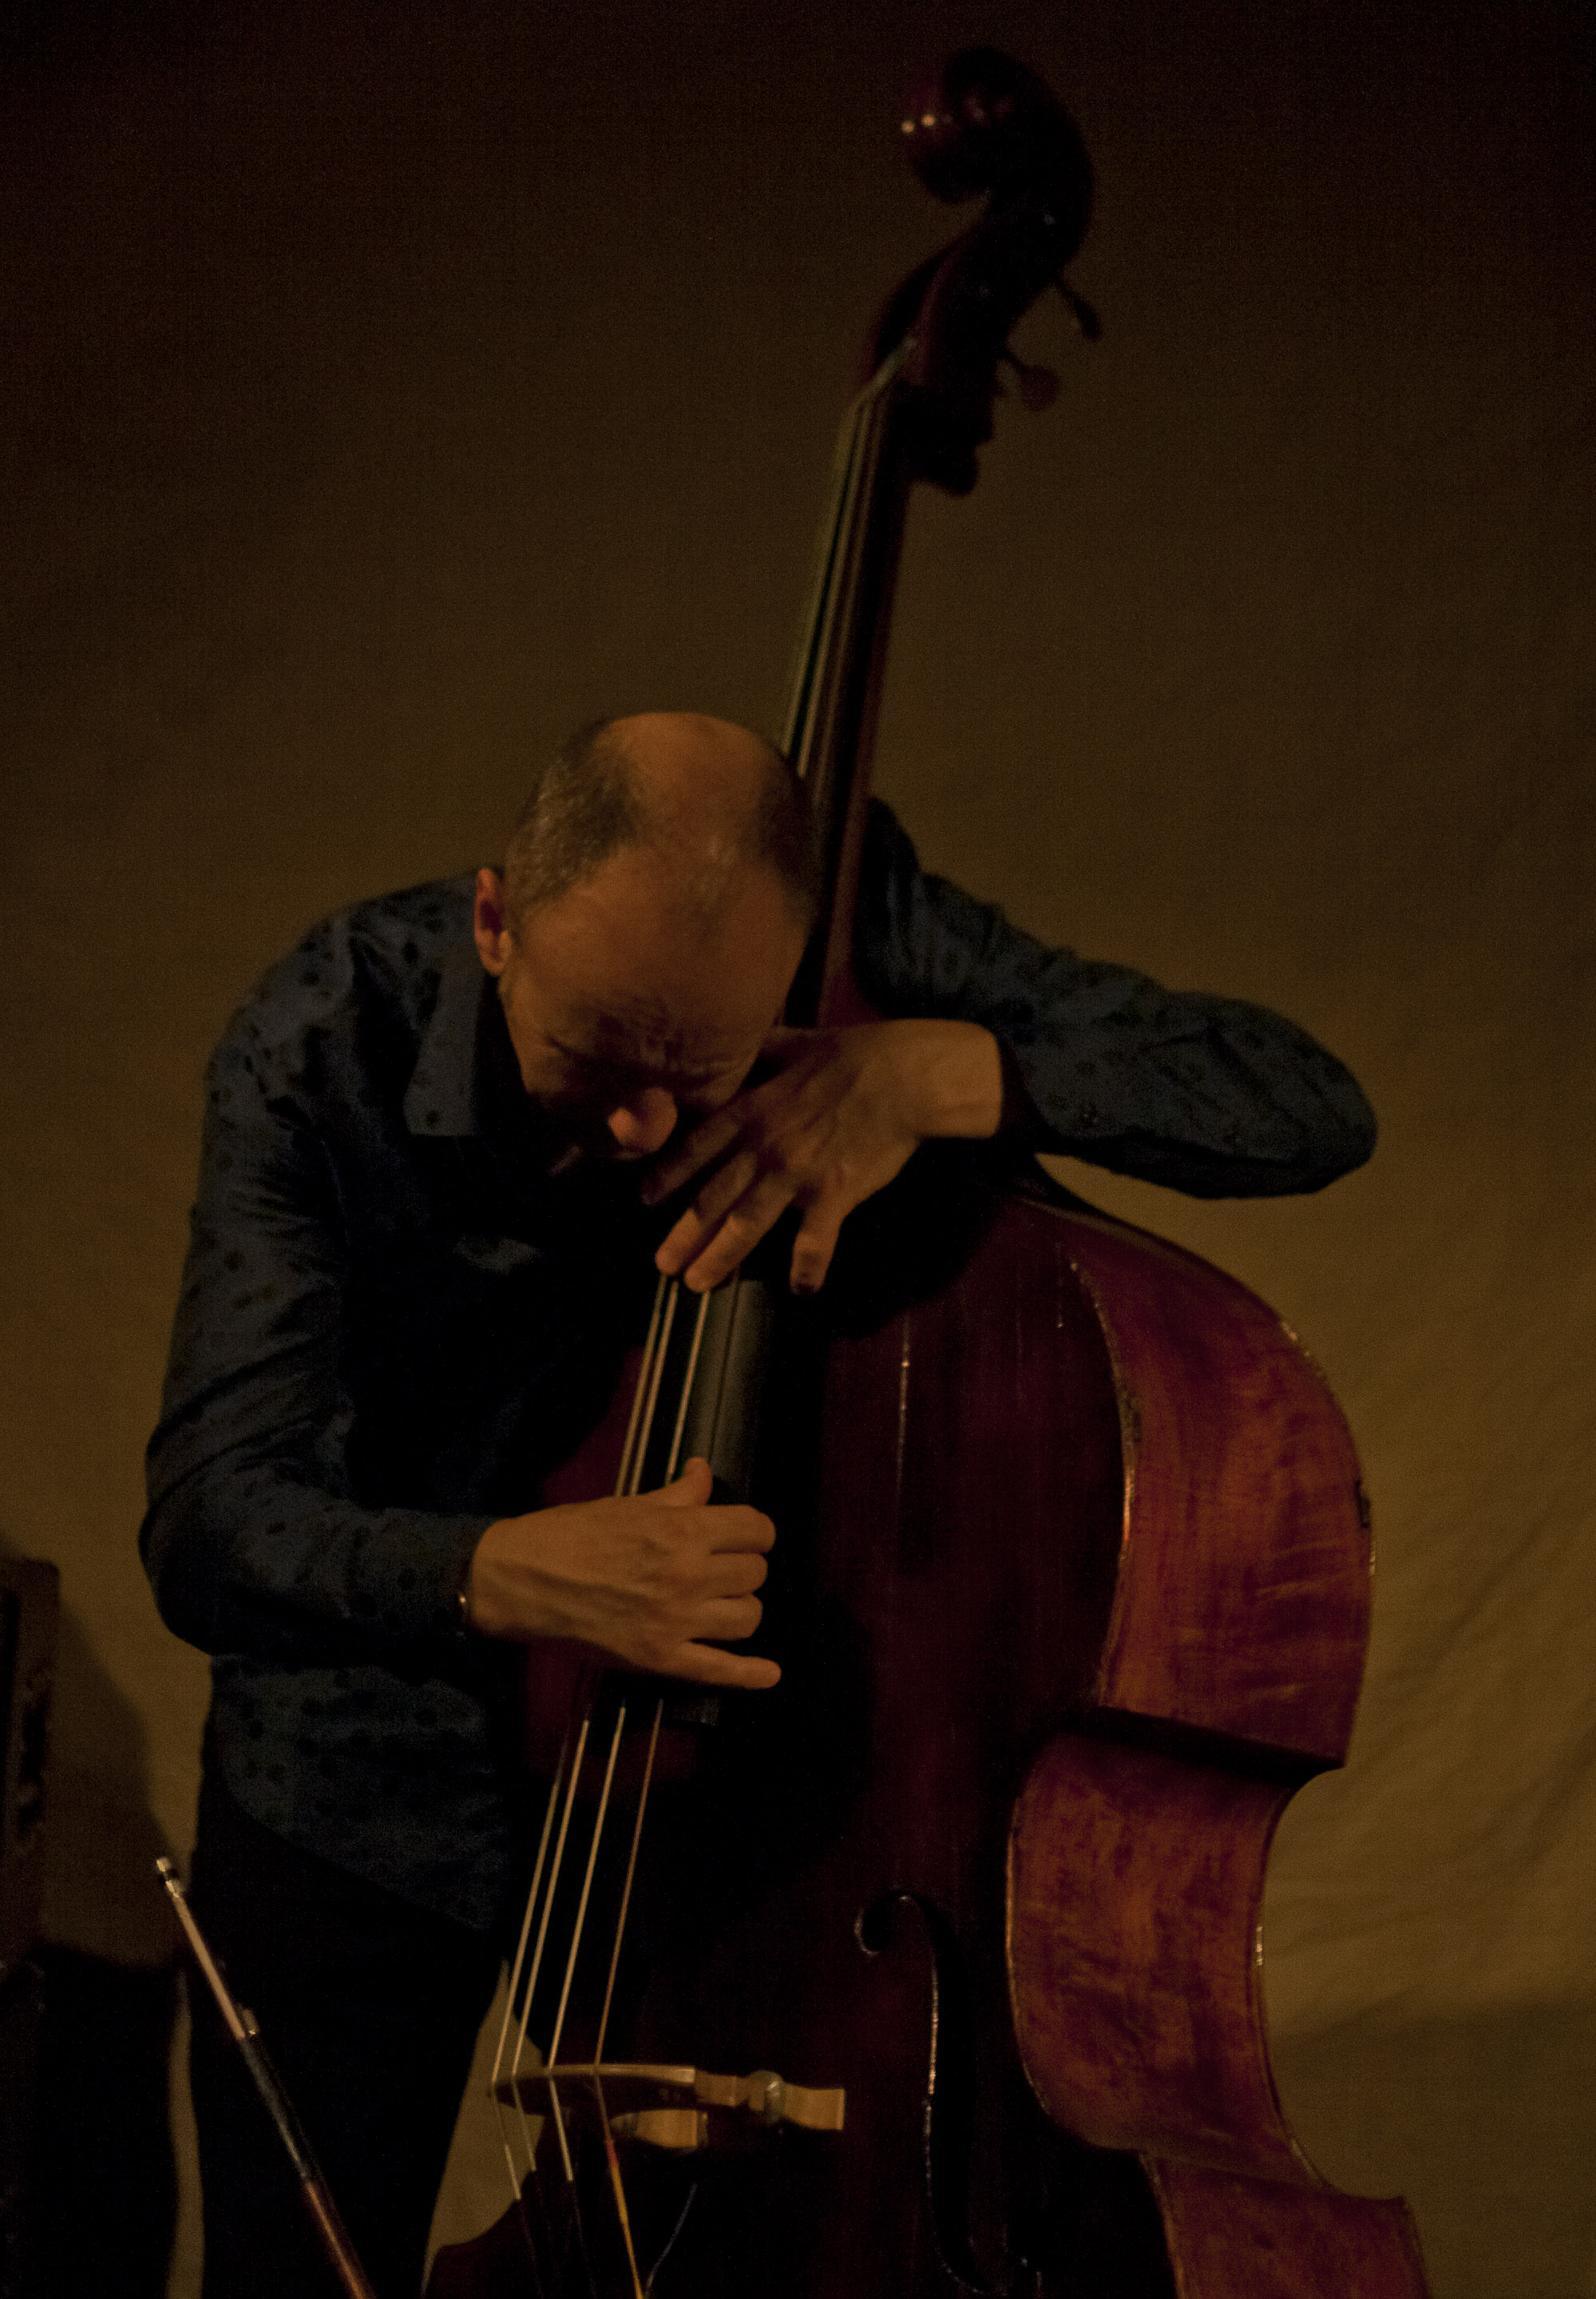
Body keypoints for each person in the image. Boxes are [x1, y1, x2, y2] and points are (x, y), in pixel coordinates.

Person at [143, 712, 1376, 2297]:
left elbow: (1303, 1101)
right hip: (355, 1774)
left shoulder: (868, 934)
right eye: (594, 1060)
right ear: (495, 915)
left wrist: (941, 1065)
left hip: (724, 1828)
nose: (645, 1134)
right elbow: (211, 1517)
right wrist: (509, 1576)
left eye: (699, 1073)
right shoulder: (326, 1037)